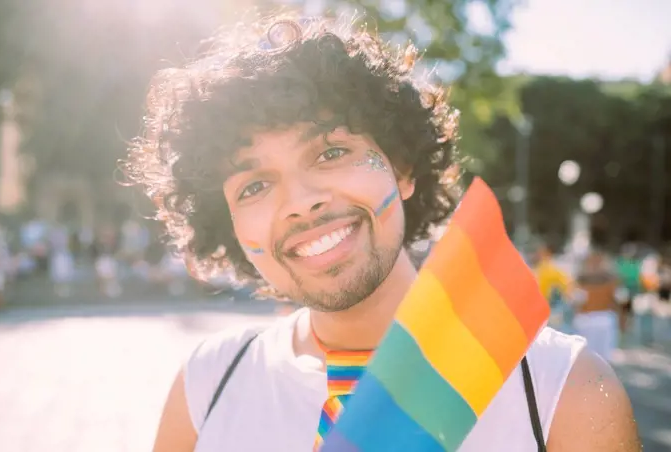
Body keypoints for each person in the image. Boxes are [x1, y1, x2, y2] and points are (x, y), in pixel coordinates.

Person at [123, 14, 640, 452]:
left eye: (330, 153)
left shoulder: (562, 390)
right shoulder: (207, 385)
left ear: (404, 167)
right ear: (228, 224)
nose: (301, 202)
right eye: (255, 185)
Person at [573, 248, 627, 361]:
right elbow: (621, 300)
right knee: (599, 357)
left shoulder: (582, 279)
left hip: (597, 319)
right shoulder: (611, 280)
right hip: (597, 319)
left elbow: (577, 301)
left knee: (591, 356)